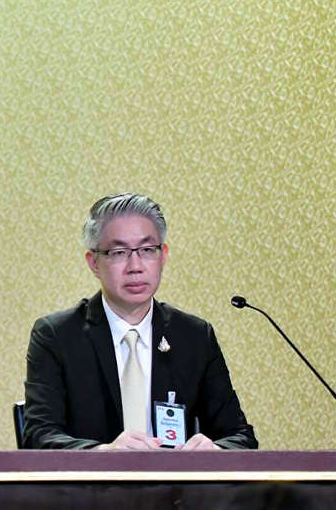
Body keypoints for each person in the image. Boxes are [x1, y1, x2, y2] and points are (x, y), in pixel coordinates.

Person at [22, 193, 256, 450]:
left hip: (175, 478)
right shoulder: (57, 336)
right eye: (119, 252)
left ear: (163, 255)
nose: (135, 266)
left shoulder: (194, 336)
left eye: (146, 250)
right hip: (94, 477)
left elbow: (240, 436)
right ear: (94, 262)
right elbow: (38, 437)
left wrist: (214, 452)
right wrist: (103, 454)